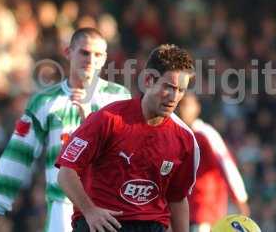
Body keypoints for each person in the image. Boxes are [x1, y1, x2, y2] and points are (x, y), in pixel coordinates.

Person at [0, 27, 131, 232]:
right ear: (68, 52)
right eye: (84, 52)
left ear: (105, 58)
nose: (91, 59)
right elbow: (18, 154)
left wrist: (90, 122)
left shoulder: (119, 98)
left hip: (108, 205)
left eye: (97, 54)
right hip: (62, 206)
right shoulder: (45, 101)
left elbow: (127, 153)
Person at [56, 44, 199, 232]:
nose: (174, 97)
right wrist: (90, 211)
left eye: (181, 90)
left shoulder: (185, 139)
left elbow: (177, 199)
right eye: (168, 87)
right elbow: (66, 173)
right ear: (148, 80)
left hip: (151, 226)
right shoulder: (108, 119)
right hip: (101, 223)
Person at [176, 92, 250, 232]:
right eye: (180, 105)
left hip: (204, 212)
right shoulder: (175, 134)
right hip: (181, 212)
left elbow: (227, 165)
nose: (182, 109)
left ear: (197, 108)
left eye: (187, 105)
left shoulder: (206, 134)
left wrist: (240, 199)